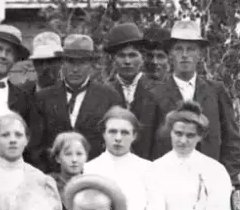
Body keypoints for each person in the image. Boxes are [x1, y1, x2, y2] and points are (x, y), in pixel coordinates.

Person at [147, 21, 240, 184]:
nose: (184, 55)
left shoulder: (216, 91)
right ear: (171, 54)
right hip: (168, 183)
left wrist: (226, 178)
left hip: (209, 181)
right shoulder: (155, 95)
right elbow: (146, 145)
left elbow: (232, 139)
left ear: (200, 55)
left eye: (191, 49)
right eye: (179, 49)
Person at [27, 34, 123, 171]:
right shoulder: (43, 98)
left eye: (82, 63)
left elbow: (116, 141)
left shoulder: (109, 97)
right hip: (54, 178)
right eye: (70, 62)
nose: (75, 69)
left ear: (91, 64)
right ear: (62, 63)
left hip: (96, 176)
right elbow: (35, 147)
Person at [103, 23, 157, 159]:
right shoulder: (103, 91)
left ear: (142, 57)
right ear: (113, 59)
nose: (127, 61)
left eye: (133, 55)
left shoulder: (157, 90)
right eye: (121, 55)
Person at [50, 131, 90, 210]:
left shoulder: (92, 185)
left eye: (79, 154)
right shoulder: (50, 185)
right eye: (68, 154)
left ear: (86, 157)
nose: (74, 160)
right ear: (58, 158)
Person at [20, 32, 64, 96]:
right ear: (34, 63)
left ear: (60, 62)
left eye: (50, 61)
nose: (45, 67)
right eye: (40, 61)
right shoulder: (19, 93)